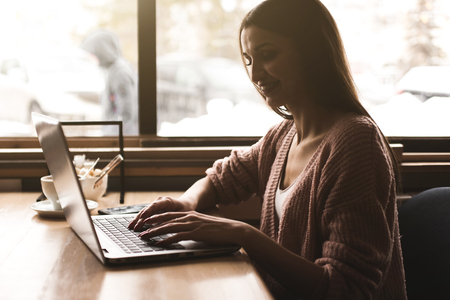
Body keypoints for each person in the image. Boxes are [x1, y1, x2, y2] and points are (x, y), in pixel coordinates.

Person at [128, 0, 407, 299]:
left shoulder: (355, 143)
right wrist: (186, 202)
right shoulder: (284, 135)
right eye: (248, 59)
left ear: (312, 52)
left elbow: (345, 289)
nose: (255, 73)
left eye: (268, 54)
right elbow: (222, 179)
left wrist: (242, 234)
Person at [80, 29, 138, 135]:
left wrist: (109, 135)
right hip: (114, 133)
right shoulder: (112, 70)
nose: (90, 57)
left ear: (102, 51)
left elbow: (125, 113)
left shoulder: (119, 72)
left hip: (121, 136)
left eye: (92, 53)